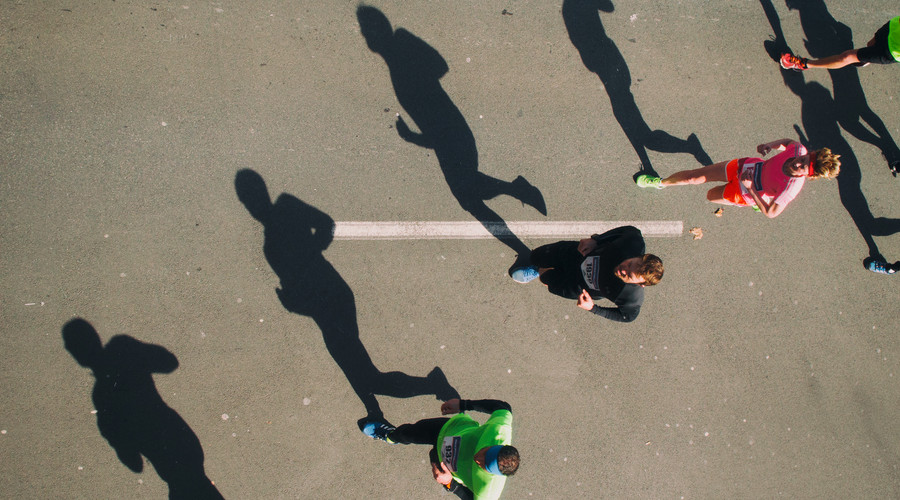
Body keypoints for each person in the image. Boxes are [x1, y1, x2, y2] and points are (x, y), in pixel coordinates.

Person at [636, 138, 840, 218]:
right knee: (694, 177)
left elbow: (771, 214)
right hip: (746, 166)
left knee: (710, 196)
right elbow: (788, 143)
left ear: (808, 175)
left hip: (747, 193)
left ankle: (754, 202)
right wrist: (770, 145)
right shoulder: (798, 149)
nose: (797, 162)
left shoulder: (790, 189)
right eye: (802, 159)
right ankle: (660, 183)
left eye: (802, 167)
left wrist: (751, 188)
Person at [361, 398, 518, 500]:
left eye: (484, 466)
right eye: (486, 452)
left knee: (432, 454)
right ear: (498, 444)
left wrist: (450, 484)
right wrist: (463, 405)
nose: (478, 458)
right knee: (407, 433)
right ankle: (390, 436)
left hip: (444, 463)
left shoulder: (488, 491)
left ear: (494, 474)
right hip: (449, 429)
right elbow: (504, 407)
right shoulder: (499, 430)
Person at [510, 226, 662, 322]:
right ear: (639, 256)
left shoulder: (630, 297)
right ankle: (538, 265)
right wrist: (596, 240)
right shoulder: (632, 243)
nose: (623, 269)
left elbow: (627, 317)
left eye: (628, 275)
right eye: (629, 264)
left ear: (640, 284)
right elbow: (630, 230)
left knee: (546, 278)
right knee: (535, 256)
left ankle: (538, 271)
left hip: (577, 286)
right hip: (574, 254)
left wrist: (593, 308)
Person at [780, 16, 900, 71]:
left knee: (847, 57)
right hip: (894, 26)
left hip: (891, 50)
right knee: (870, 44)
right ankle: (864, 59)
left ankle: (805, 64)